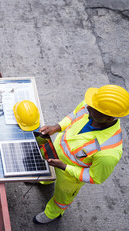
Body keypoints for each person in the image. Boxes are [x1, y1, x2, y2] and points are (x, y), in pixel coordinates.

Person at [33, 84, 129, 224]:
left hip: (69, 177)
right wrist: (57, 127)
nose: (87, 106)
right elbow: (74, 115)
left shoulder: (109, 151)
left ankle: (52, 213)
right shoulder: (92, 105)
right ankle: (45, 180)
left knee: (62, 197)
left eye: (93, 108)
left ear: (109, 118)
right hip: (55, 154)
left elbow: (94, 177)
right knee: (48, 172)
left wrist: (65, 167)